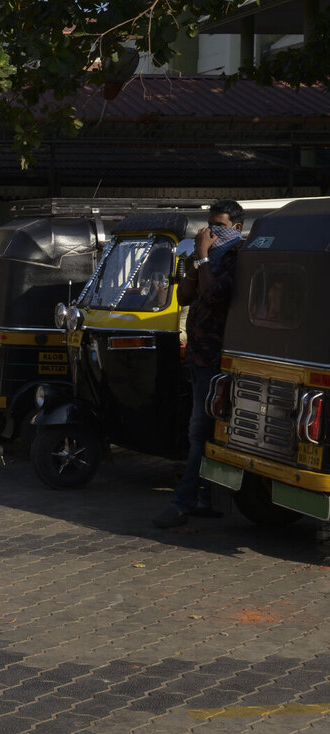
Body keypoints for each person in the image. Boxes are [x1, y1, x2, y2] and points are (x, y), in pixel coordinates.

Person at [154, 200, 245, 529]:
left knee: (199, 431)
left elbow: (213, 295)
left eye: (219, 225)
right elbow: (187, 296)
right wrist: (196, 261)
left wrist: (206, 254)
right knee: (203, 432)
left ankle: (183, 502)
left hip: (216, 358)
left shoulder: (236, 256)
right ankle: (205, 497)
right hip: (198, 356)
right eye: (209, 224)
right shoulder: (210, 258)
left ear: (236, 228)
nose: (212, 230)